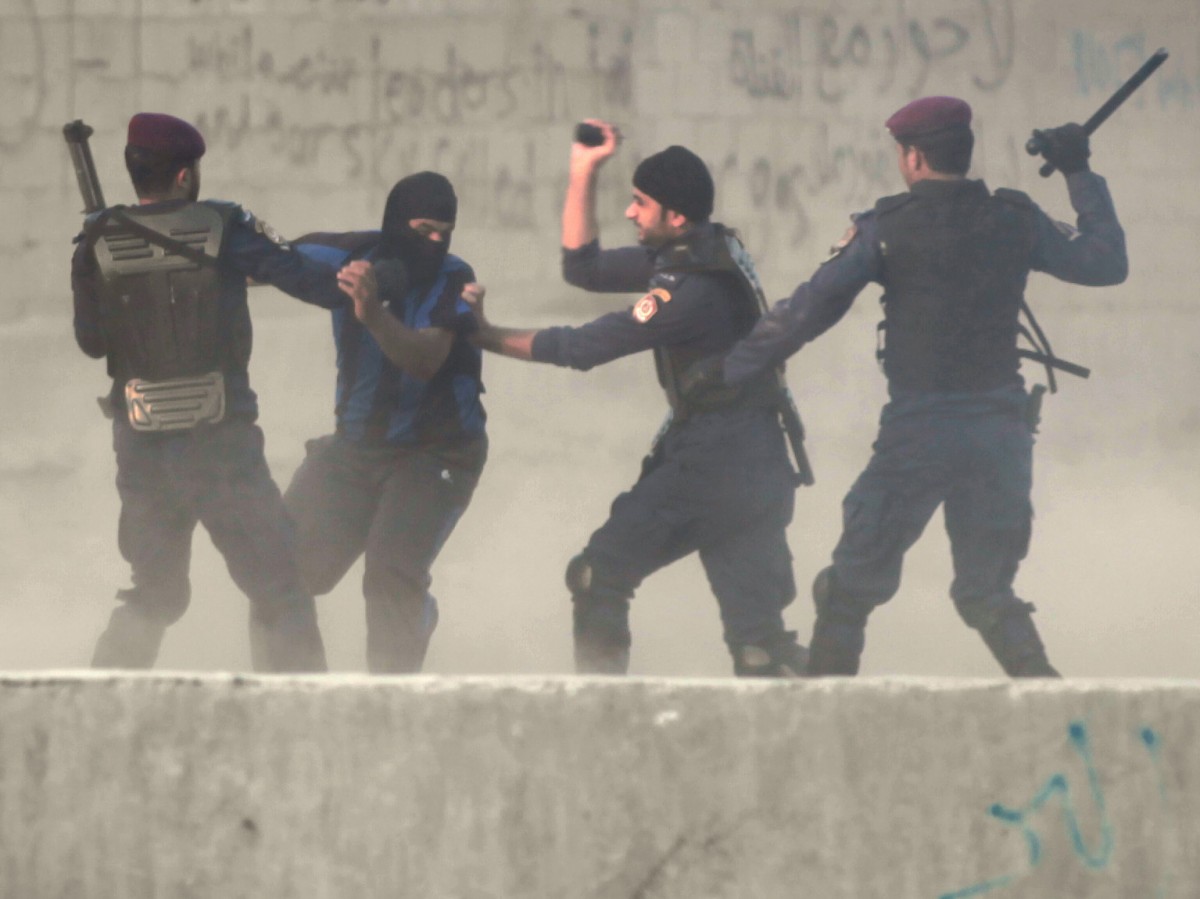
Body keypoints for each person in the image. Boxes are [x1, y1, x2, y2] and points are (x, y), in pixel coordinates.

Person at [699, 96, 1128, 677]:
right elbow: (1105, 262)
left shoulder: (887, 230)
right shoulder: (1015, 218)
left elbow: (806, 312)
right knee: (987, 594)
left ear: (913, 156)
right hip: (1000, 433)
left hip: (919, 434)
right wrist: (1078, 170)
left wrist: (729, 369)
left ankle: (825, 721)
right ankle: (1058, 720)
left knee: (848, 589)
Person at [465, 121, 808, 677]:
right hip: (755, 462)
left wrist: (484, 336)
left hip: (717, 460)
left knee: (598, 575)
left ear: (674, 216)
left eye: (639, 203)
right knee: (761, 647)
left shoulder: (689, 287)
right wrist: (584, 170)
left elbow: (583, 347)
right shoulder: (706, 249)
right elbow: (584, 268)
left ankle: (601, 722)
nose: (629, 213)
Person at [71, 112, 355, 672]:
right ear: (183, 177)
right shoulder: (224, 226)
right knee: (280, 590)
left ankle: (98, 712)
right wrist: (370, 285)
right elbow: (308, 280)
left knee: (154, 596)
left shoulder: (95, 241)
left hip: (141, 444)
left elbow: (91, 342)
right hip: (220, 443)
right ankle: (308, 730)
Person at [284, 172, 486, 673]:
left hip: (436, 454)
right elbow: (260, 262)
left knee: (390, 575)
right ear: (397, 224)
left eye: (445, 231)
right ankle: (295, 696)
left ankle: (388, 708)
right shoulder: (347, 256)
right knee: (278, 569)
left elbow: (424, 360)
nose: (435, 242)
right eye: (423, 228)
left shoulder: (455, 279)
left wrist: (371, 312)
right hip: (354, 449)